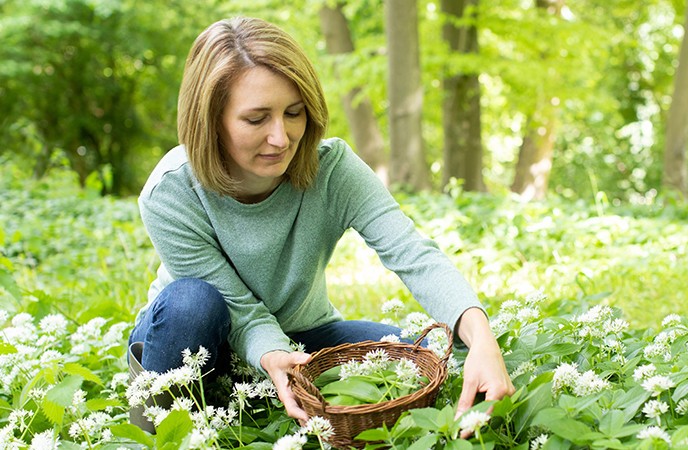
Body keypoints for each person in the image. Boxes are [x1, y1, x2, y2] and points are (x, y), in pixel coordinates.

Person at [128, 16, 513, 429]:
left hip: (302, 338)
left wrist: (481, 338)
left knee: (423, 352)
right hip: (198, 340)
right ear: (211, 119)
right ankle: (158, 421)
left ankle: (262, 393)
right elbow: (239, 310)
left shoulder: (333, 171)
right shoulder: (171, 190)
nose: (281, 138)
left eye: (294, 113)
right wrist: (271, 354)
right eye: (256, 119)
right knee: (192, 302)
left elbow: (413, 255)